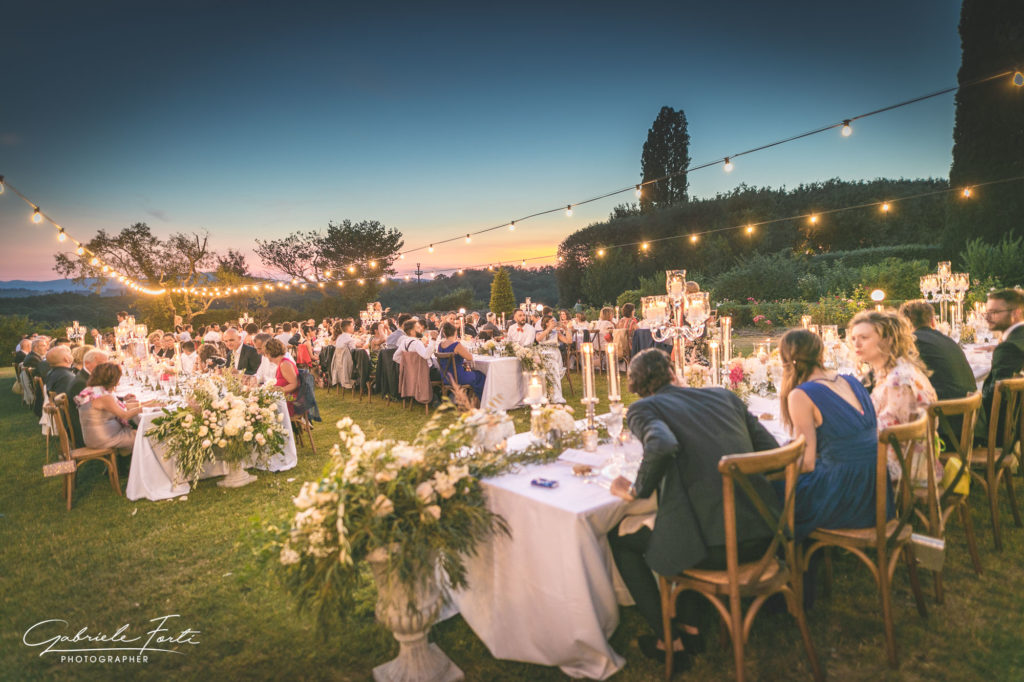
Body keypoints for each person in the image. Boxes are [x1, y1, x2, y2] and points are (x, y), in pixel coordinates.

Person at [607, 349, 779, 669]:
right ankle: (691, 625)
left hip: (719, 550)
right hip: (768, 536)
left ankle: (668, 640)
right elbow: (772, 452)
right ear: (673, 373)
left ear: (638, 389)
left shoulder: (644, 408)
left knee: (621, 538)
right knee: (687, 518)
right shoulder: (724, 396)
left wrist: (636, 491)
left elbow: (662, 444)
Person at [779, 328, 890, 541]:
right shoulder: (851, 381)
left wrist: (774, 463)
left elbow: (807, 463)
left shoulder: (801, 395)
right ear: (820, 353)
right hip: (877, 488)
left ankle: (787, 555)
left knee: (766, 490)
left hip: (845, 492)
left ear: (787, 361)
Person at [849, 310, 938, 483]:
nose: (856, 344)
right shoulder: (891, 372)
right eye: (853, 338)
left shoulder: (899, 380)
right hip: (901, 456)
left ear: (888, 339)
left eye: (864, 338)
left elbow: (893, 432)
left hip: (905, 467)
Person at [976, 289, 1024, 442]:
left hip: (1005, 434)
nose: (987, 317)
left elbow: (995, 397)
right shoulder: (1015, 341)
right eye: (987, 312)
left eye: (994, 312)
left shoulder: (1009, 348)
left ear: (1016, 313)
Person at [75, 362, 140, 450]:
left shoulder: (92, 390)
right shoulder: (104, 397)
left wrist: (146, 405)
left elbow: (118, 406)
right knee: (146, 435)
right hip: (105, 438)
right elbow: (125, 415)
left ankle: (127, 455)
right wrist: (142, 409)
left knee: (140, 432)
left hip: (92, 438)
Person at [436, 322, 486, 402]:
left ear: (444, 334)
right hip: (458, 378)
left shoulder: (440, 345)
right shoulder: (456, 345)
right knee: (480, 375)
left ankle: (465, 399)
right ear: (455, 333)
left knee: (474, 374)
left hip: (445, 378)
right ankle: (481, 401)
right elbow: (470, 357)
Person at [67, 349, 108, 444]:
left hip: (91, 423)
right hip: (88, 432)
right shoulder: (81, 383)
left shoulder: (85, 376)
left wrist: (123, 399)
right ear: (87, 363)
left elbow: (99, 397)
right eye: (100, 363)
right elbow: (96, 408)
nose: (105, 367)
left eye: (106, 363)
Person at [264, 338, 299, 416]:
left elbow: (294, 384)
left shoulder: (285, 364)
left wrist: (279, 390)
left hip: (289, 401)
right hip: (283, 398)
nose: (265, 356)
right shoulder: (281, 363)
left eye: (266, 353)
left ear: (270, 352)